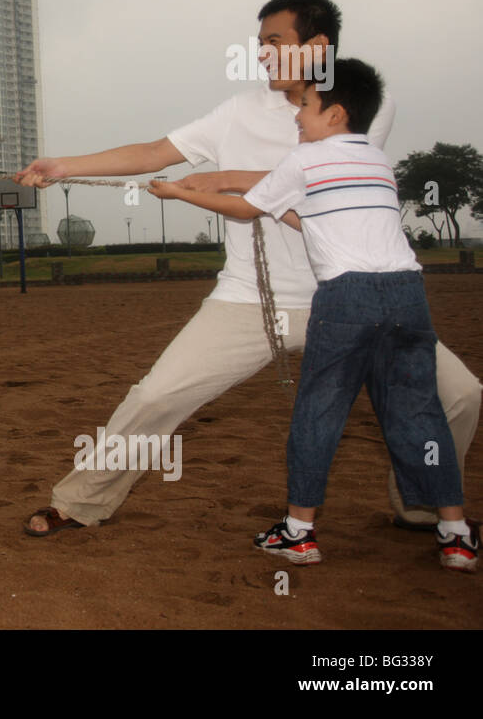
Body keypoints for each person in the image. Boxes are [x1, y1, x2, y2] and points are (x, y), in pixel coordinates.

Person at [17, 0, 479, 536]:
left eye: (275, 42)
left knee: (462, 396)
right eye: (259, 45)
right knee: (158, 394)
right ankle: (80, 501)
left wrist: (232, 179)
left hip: (354, 296)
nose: (262, 54)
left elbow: (317, 204)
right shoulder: (237, 112)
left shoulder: (358, 107)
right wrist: (63, 166)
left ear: (318, 46)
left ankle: (421, 504)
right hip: (249, 298)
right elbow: (153, 152)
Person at [148, 59, 476, 571]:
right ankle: (455, 534)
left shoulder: (304, 161)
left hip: (347, 300)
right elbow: (314, 216)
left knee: (319, 413)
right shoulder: (377, 161)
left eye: (306, 106)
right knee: (420, 412)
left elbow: (248, 208)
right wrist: (267, 200)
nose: (297, 116)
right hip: (409, 297)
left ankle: (299, 532)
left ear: (336, 113)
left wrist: (180, 193)